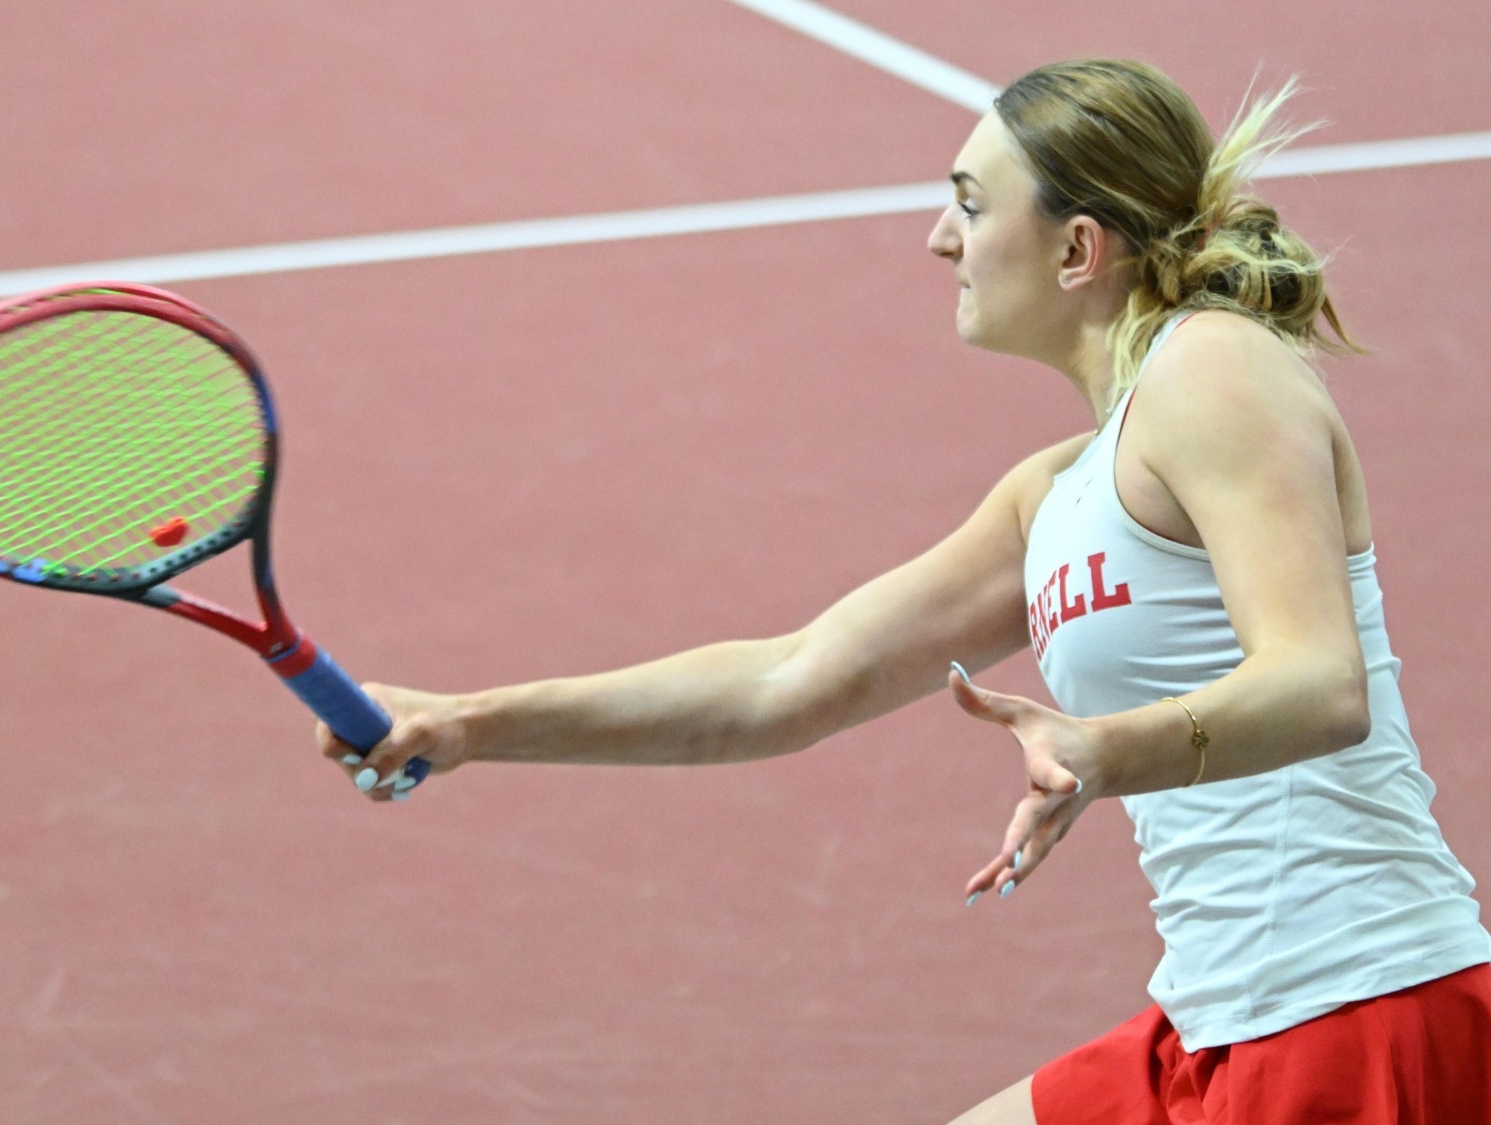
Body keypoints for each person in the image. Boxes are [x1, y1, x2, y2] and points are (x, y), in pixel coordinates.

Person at [319, 59, 1491, 1123]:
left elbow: (1319, 682)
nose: (940, 237)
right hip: (1221, 1018)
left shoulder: (1215, 369)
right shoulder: (1051, 495)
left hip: (1357, 1008)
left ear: (1077, 251)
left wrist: (1105, 749)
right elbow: (787, 684)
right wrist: (471, 723)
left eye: (972, 205)